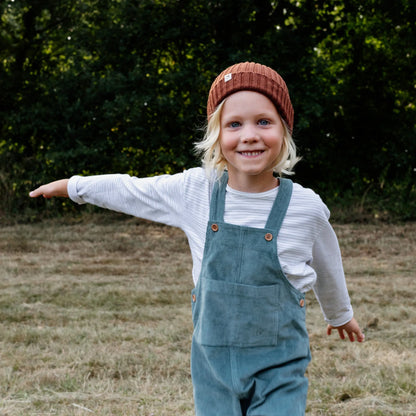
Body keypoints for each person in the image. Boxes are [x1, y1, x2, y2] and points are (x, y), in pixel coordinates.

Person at [30, 62, 364, 415]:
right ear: (216, 133)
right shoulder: (195, 190)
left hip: (279, 369)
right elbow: (130, 189)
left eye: (263, 121)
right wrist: (73, 187)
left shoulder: (305, 207)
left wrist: (340, 314)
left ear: (285, 130)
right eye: (234, 124)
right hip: (212, 368)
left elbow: (327, 264)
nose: (249, 134)